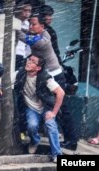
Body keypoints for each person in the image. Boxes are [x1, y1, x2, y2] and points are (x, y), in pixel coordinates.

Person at [16, 13, 79, 150]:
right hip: (44, 74)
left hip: (54, 76)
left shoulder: (41, 41)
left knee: (61, 108)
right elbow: (28, 32)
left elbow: (21, 36)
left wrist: (13, 26)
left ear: (42, 26)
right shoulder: (43, 33)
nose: (30, 26)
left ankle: (71, 141)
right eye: (30, 24)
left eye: (33, 24)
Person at [13, 54, 64, 163]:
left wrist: (53, 112)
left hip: (46, 107)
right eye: (28, 59)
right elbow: (5, 81)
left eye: (32, 61)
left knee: (51, 125)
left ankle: (57, 154)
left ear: (38, 68)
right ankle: (35, 141)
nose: (28, 62)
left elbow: (60, 93)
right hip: (31, 107)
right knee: (32, 126)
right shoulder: (20, 73)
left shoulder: (45, 77)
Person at [14, 0, 32, 70]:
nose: (27, 13)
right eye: (25, 10)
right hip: (14, 52)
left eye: (29, 11)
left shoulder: (27, 23)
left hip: (22, 53)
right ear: (19, 10)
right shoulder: (12, 20)